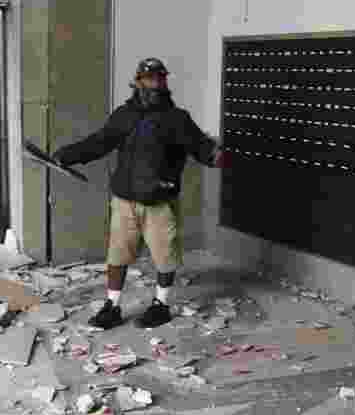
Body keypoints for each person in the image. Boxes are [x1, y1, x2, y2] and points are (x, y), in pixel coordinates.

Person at [52, 57, 227, 329]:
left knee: (165, 257)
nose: (153, 84)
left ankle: (161, 305)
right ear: (137, 82)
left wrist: (218, 156)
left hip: (160, 202)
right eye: (148, 79)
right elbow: (100, 142)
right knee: (117, 255)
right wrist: (68, 155)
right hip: (125, 200)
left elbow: (203, 148)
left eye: (158, 79)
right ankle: (112, 306)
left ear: (165, 83)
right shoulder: (124, 115)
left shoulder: (177, 119)